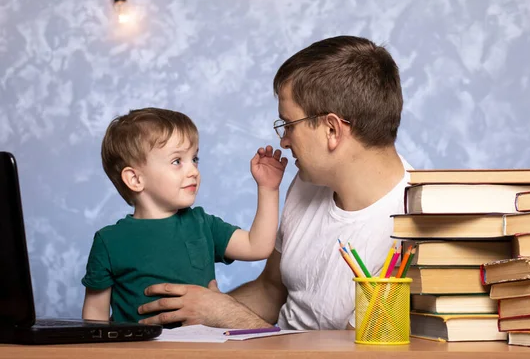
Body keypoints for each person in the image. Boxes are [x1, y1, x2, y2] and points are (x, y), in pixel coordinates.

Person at [137, 35, 412, 330]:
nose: (283, 140)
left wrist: (225, 314)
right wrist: (193, 312)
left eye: (288, 125)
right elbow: (270, 290)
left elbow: (349, 352)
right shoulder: (309, 182)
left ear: (332, 129)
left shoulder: (414, 229)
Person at [81, 108, 287, 326]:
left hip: (201, 351)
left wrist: (268, 189)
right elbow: (95, 315)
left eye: (194, 159)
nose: (193, 171)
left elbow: (258, 246)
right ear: (135, 179)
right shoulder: (109, 241)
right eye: (177, 161)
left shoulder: (203, 224)